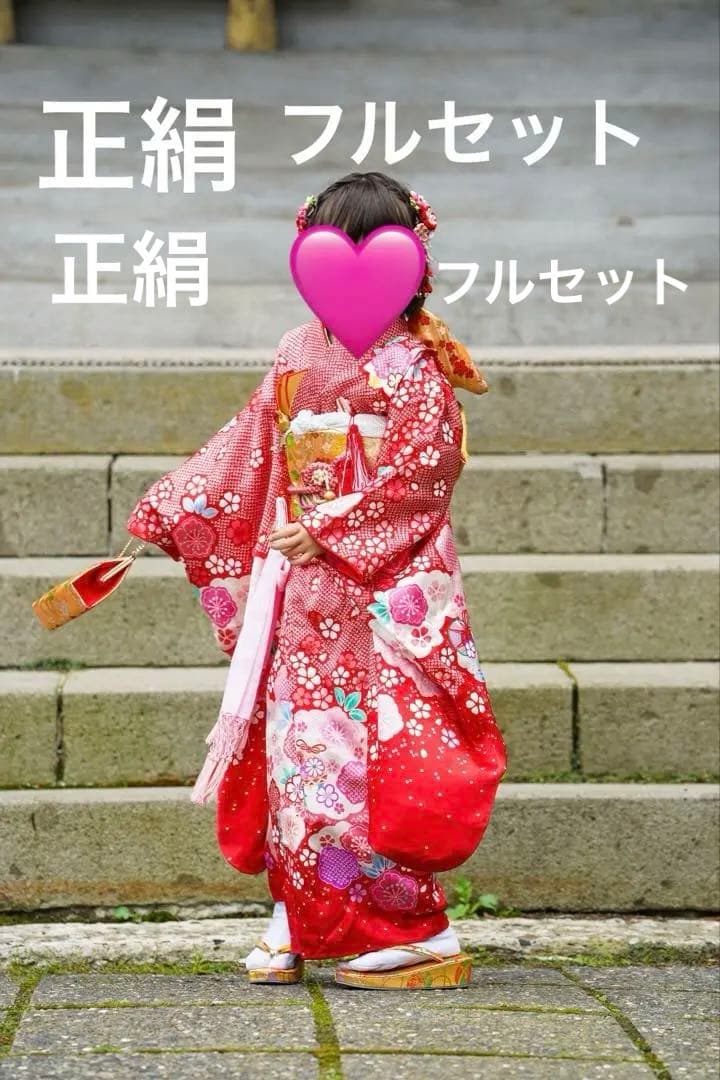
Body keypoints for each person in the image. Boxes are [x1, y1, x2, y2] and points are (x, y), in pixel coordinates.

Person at [125, 171, 507, 990]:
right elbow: (250, 444)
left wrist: (332, 529)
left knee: (363, 759)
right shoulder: (298, 352)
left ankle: (415, 930)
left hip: (378, 589)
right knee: (297, 749)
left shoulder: (415, 366)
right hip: (302, 589)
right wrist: (177, 503)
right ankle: (297, 914)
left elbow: (423, 476)